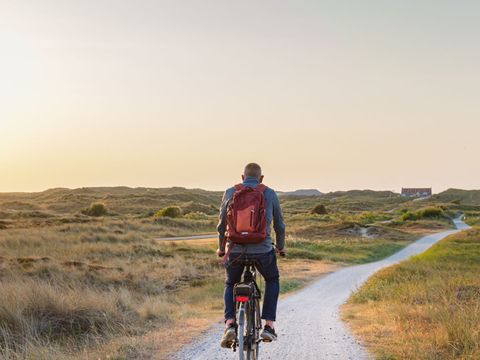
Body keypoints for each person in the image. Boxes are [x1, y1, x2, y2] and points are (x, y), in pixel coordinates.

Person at [216, 163, 286, 348]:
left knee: (231, 283)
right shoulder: (269, 193)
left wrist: (222, 248)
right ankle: (269, 326)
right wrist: (280, 247)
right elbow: (279, 225)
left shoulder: (231, 192)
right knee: (272, 279)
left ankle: (230, 324)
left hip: (236, 251)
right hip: (262, 250)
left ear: (242, 177)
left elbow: (222, 225)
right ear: (261, 178)